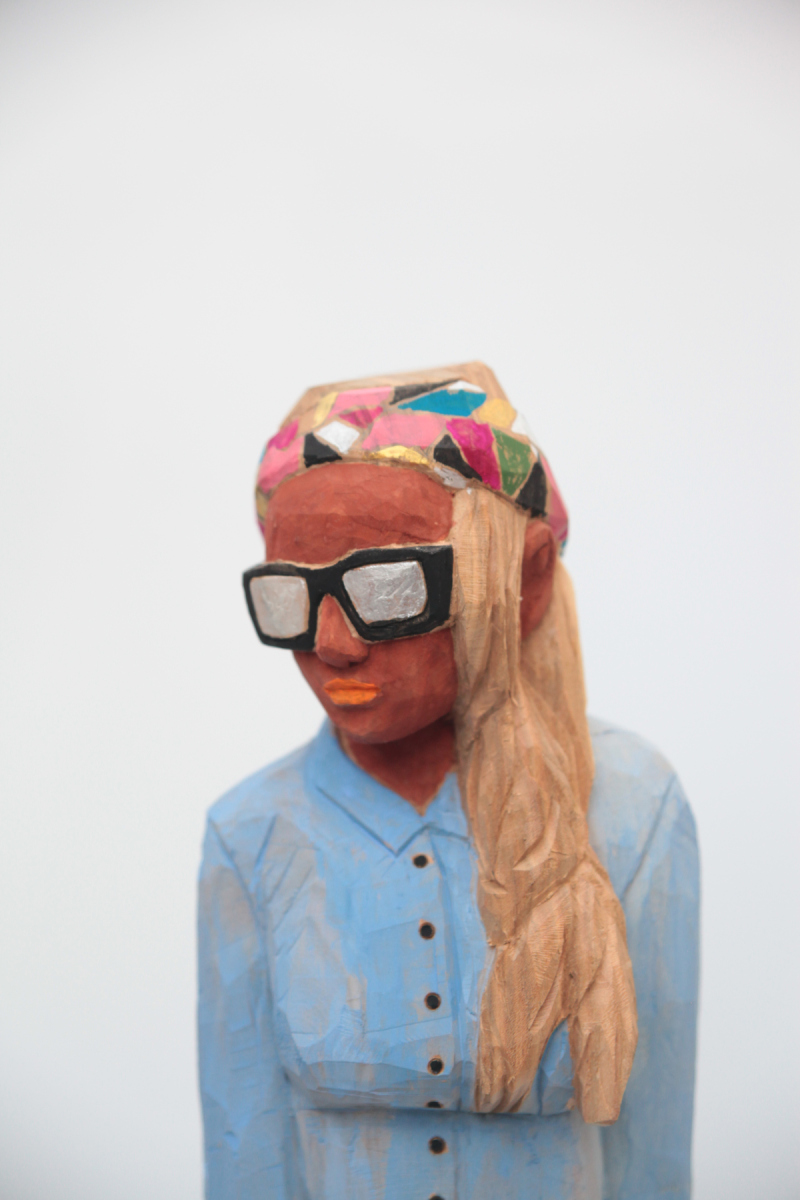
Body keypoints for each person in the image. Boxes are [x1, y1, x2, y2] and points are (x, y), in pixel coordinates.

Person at [197, 362, 699, 1200]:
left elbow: (653, 1151)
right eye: (288, 596)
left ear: (524, 584)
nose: (334, 643)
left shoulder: (633, 809)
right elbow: (245, 1150)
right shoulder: (251, 834)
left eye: (389, 587)